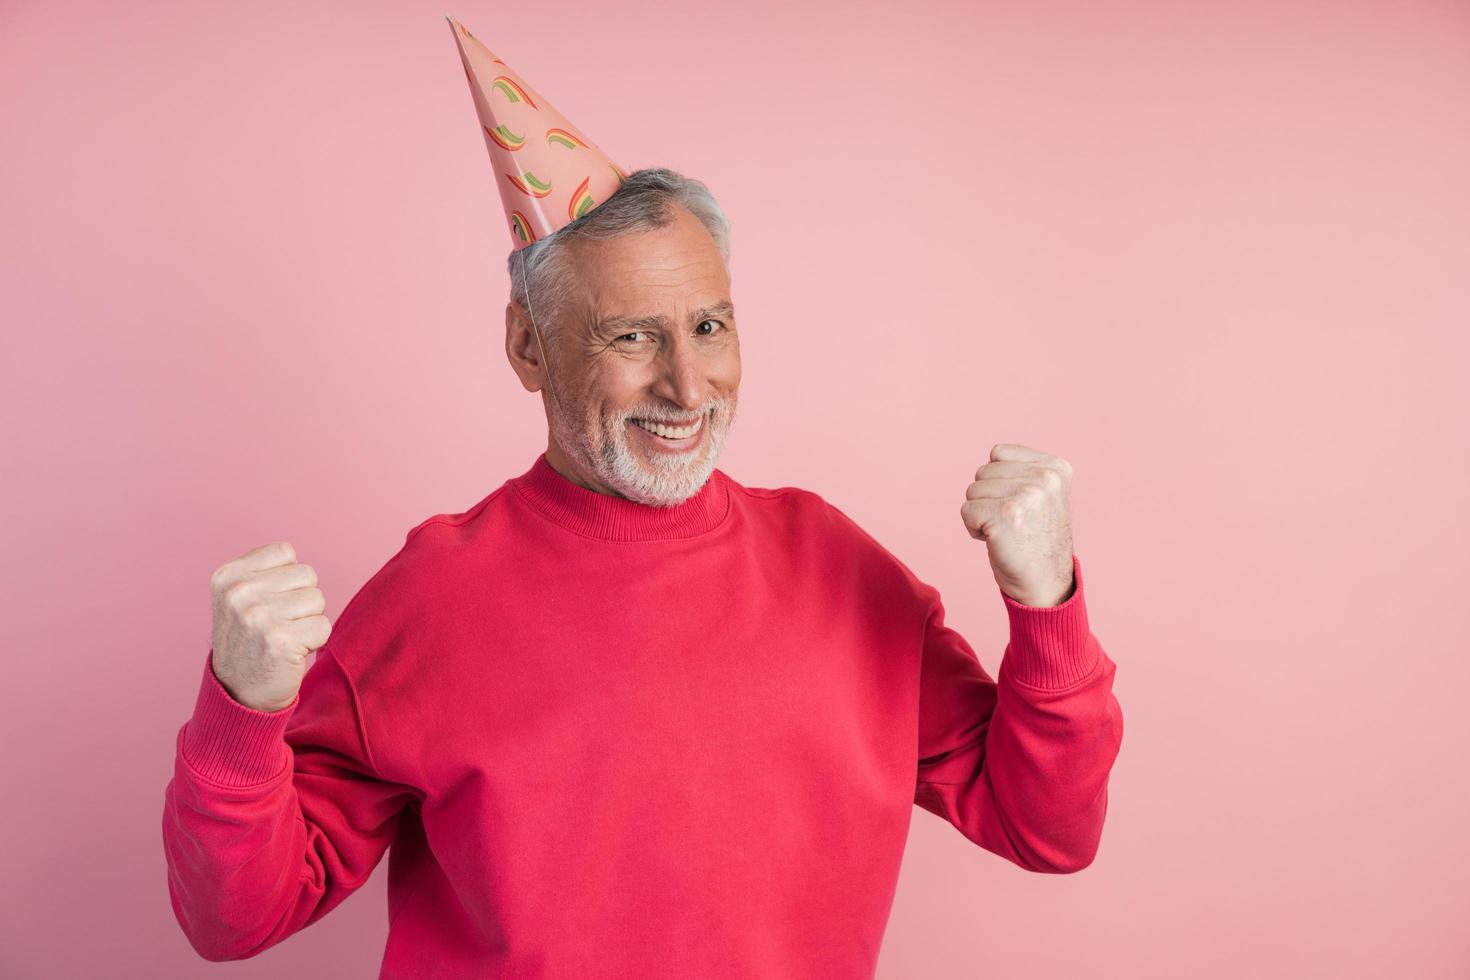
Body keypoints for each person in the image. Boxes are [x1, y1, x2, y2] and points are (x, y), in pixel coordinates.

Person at [161, 19, 1123, 978]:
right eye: (631, 338)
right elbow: (237, 917)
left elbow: (1046, 828)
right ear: (529, 348)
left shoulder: (838, 567)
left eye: (708, 326)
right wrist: (243, 709)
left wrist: (1045, 609)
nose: (688, 387)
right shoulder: (429, 601)